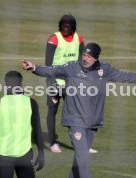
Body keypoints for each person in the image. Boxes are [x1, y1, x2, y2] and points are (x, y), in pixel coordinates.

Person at [21, 42, 136, 178]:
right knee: (83, 157)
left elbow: (126, 76)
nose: (85, 58)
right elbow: (52, 70)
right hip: (75, 120)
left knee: (79, 161)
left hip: (93, 122)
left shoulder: (105, 70)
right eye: (84, 55)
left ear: (96, 58)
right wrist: (33, 68)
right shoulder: (71, 67)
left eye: (89, 56)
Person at [0, 71, 44, 178]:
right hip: (25, 156)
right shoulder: (31, 103)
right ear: (21, 83)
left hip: (4, 156)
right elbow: (37, 130)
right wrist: (41, 153)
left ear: (5, 84)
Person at [45, 14, 87, 153]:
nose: (65, 28)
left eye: (68, 26)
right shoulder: (54, 39)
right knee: (53, 111)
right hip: (55, 82)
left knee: (74, 113)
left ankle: (78, 143)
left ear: (73, 27)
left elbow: (83, 61)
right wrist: (51, 83)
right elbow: (48, 63)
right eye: (63, 25)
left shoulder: (79, 39)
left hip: (72, 83)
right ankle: (52, 143)